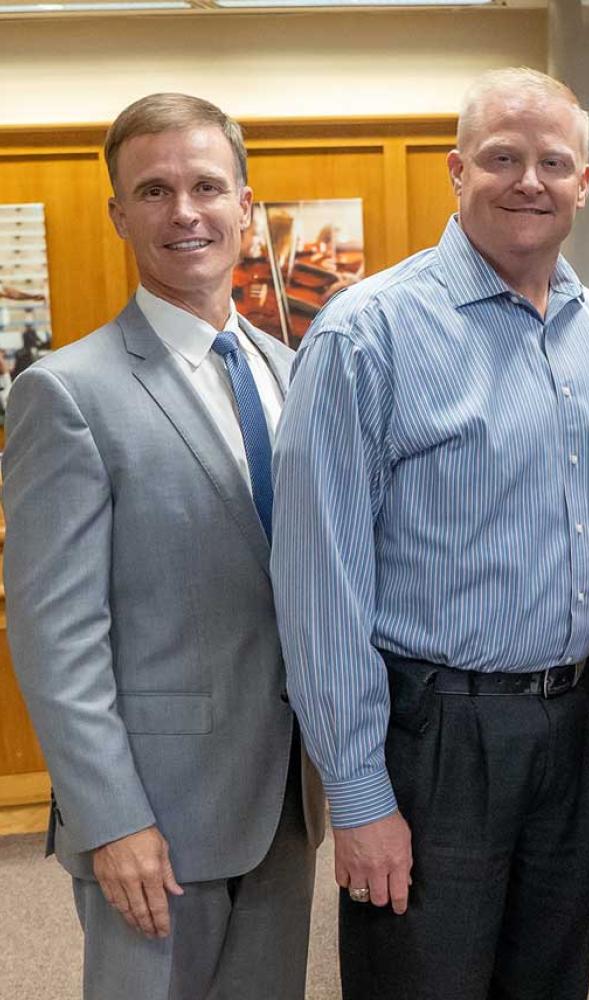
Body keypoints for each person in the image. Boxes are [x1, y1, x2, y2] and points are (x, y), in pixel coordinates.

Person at [271, 67, 589, 1000]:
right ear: (456, 170)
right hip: (433, 739)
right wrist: (359, 794)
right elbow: (321, 586)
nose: (529, 182)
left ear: (584, 182)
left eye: (553, 163)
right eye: (502, 158)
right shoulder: (368, 334)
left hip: (570, 729)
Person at [2, 93, 322, 1000]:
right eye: (154, 191)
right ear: (119, 214)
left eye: (207, 187)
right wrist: (110, 819)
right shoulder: (68, 393)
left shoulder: (292, 371)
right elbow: (55, 637)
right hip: (155, 820)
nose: (185, 212)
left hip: (286, 803)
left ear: (245, 206)